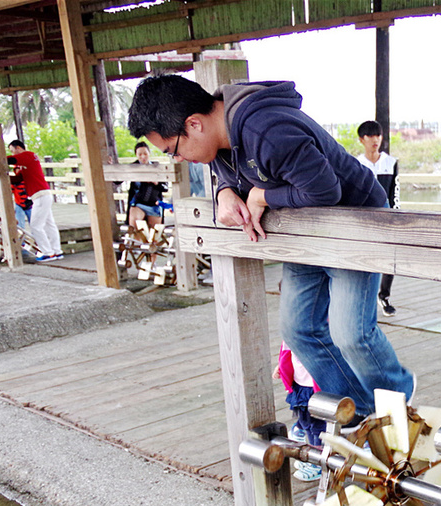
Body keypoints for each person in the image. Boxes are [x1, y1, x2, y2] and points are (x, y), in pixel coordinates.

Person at [127, 75, 414, 417]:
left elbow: (326, 191)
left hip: (353, 221)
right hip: (303, 230)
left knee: (350, 333)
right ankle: (360, 411)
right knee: (299, 329)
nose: (177, 159)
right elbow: (233, 175)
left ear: (194, 124)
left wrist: (262, 195)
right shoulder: (219, 140)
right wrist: (224, 192)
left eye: (173, 150)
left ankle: (400, 407)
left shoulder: (266, 129)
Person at [356, 120, 400, 317]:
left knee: (390, 259)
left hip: (388, 217)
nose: (375, 140)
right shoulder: (356, 164)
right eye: (370, 136)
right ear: (361, 139)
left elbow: (395, 192)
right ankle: (365, 299)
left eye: (378, 136)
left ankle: (384, 296)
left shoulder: (391, 163)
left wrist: (396, 216)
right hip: (364, 220)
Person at [275, 341, 324, 482]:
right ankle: (299, 429)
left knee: (317, 427)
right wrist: (280, 367)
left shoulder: (317, 332)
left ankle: (317, 460)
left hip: (316, 388)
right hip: (300, 386)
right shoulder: (290, 335)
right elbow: (287, 354)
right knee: (306, 420)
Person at [7, 139, 62, 262]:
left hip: (40, 196)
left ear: (18, 148)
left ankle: (48, 252)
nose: (13, 153)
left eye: (12, 151)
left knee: (36, 226)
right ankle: (56, 251)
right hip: (43, 194)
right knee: (49, 224)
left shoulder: (27, 155)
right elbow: (17, 179)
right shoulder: (28, 162)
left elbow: (9, 160)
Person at [125, 140, 169, 230]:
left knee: (154, 235)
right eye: (140, 154)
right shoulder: (133, 167)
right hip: (138, 203)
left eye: (145, 153)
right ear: (136, 155)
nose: (143, 156)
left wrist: (156, 182)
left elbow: (165, 187)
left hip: (154, 204)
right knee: (135, 230)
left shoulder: (156, 167)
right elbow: (117, 180)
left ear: (149, 153)